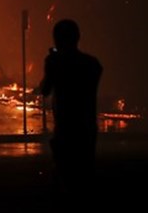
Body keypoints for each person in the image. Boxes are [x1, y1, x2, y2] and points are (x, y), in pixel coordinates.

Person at [39, 18, 103, 195]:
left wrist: (50, 65)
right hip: (87, 127)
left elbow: (45, 90)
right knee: (85, 174)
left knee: (64, 175)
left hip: (66, 128)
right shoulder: (92, 64)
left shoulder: (56, 63)